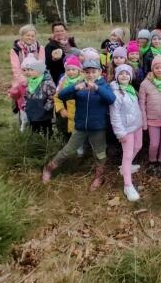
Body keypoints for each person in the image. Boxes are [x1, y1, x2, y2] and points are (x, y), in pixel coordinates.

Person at [41, 59, 116, 189]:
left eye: (93, 72)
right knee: (68, 150)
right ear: (83, 73)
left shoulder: (104, 85)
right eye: (87, 72)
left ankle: (99, 177)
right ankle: (48, 169)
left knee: (99, 153)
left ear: (99, 72)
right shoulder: (79, 85)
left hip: (97, 127)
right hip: (80, 126)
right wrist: (75, 87)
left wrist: (97, 88)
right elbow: (61, 96)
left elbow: (111, 99)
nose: (91, 75)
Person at [109, 64, 143, 202]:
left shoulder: (131, 89)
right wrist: (120, 133)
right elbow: (114, 115)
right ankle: (127, 185)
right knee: (128, 154)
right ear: (117, 76)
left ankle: (124, 168)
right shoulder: (115, 93)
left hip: (137, 125)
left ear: (130, 77)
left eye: (127, 73)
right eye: (121, 73)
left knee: (138, 146)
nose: (124, 75)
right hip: (126, 129)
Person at [139, 55, 161, 177]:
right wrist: (144, 122)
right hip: (152, 119)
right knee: (154, 143)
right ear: (152, 69)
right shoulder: (145, 84)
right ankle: (152, 161)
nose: (160, 70)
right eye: (157, 68)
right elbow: (142, 104)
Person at [9, 24, 45, 130]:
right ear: (22, 36)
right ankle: (23, 126)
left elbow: (41, 64)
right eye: (27, 35)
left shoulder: (40, 48)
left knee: (38, 102)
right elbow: (15, 68)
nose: (30, 37)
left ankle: (38, 126)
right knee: (23, 103)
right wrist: (24, 80)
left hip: (37, 79)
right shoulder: (15, 50)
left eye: (32, 36)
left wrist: (37, 79)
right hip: (22, 80)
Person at [22, 56, 56, 137]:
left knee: (46, 131)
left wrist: (46, 108)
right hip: (32, 112)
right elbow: (25, 96)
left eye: (32, 70)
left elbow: (52, 97)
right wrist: (26, 107)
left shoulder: (47, 83)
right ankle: (36, 146)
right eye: (29, 70)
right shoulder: (29, 82)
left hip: (44, 114)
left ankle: (48, 146)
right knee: (34, 131)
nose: (29, 72)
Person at [53, 55, 84, 142]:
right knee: (66, 131)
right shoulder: (63, 81)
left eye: (73, 69)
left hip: (79, 110)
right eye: (68, 70)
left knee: (79, 133)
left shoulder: (83, 80)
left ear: (79, 70)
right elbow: (56, 96)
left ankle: (81, 151)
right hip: (66, 111)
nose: (71, 72)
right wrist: (61, 109)